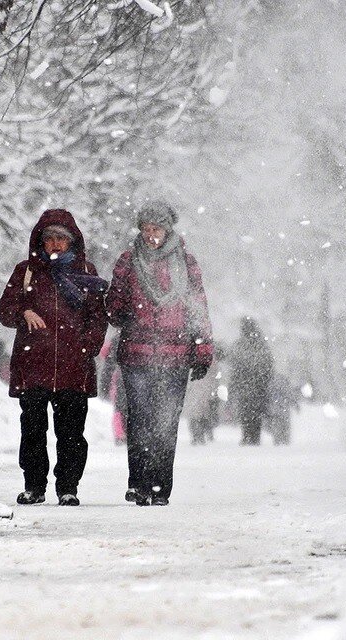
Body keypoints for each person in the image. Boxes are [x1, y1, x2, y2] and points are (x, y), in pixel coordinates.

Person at [0, 209, 108, 507]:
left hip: (74, 367)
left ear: (72, 241)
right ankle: (34, 486)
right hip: (33, 365)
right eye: (50, 238)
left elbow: (98, 317)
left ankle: (68, 487)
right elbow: (4, 311)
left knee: (71, 433)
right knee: (32, 430)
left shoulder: (86, 272)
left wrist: (87, 347)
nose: (56, 244)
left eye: (62, 238)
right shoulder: (26, 271)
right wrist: (23, 311)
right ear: (40, 241)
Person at [106, 201, 214, 506]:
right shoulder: (127, 262)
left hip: (175, 355)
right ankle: (138, 483)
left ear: (168, 230)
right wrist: (117, 307)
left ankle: (159, 487)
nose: (152, 235)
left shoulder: (186, 264)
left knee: (166, 422)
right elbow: (114, 310)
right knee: (139, 420)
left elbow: (197, 309)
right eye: (147, 229)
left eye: (157, 229)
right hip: (137, 354)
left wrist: (203, 348)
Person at [229, 317, 273, 445]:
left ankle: (247, 435)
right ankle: (254, 436)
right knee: (256, 411)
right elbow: (268, 364)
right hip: (258, 385)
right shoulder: (260, 344)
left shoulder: (240, 345)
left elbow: (235, 365)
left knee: (246, 410)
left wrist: (235, 384)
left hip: (246, 384)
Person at [266, 372, 299, 446]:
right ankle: (284, 441)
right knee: (284, 427)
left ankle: (277, 441)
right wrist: (295, 405)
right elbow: (291, 396)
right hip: (284, 411)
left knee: (277, 427)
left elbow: (268, 398)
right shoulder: (285, 385)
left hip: (275, 411)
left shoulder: (271, 384)